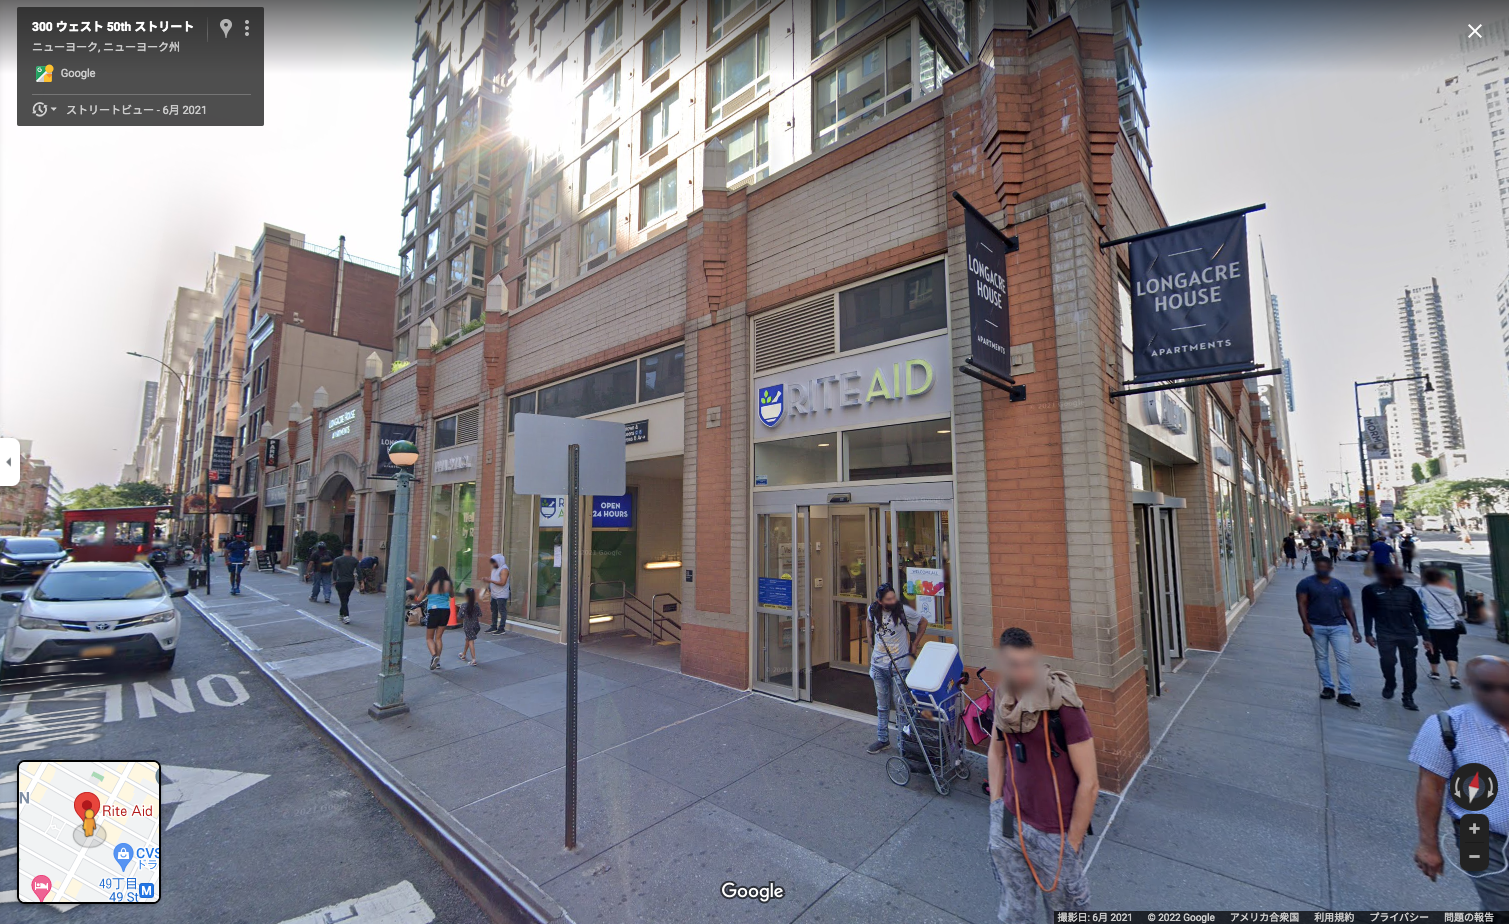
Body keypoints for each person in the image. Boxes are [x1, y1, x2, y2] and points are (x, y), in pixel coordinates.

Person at [987, 627, 1097, 921]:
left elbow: (1090, 782)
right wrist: (996, 806)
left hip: (1055, 832)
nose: (1023, 673)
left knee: (1066, 912)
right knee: (1014, 910)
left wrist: (1072, 844)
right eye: (1014, 665)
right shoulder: (1002, 697)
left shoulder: (1062, 704)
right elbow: (996, 752)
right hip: (1009, 822)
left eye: (1028, 664)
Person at [1409, 656, 1509, 910]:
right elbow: (1430, 788)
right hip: (1478, 834)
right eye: (1487, 687)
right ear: (1471, 684)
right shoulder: (1448, 725)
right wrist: (1428, 845)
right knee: (1501, 906)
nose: (1498, 695)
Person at [864, 583, 928, 755]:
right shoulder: (873, 610)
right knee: (882, 706)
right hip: (878, 665)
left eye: (894, 597)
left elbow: (923, 622)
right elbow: (868, 621)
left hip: (900, 666)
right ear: (880, 601)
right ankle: (883, 739)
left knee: (902, 707)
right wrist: (869, 637)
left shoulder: (903, 611)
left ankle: (903, 743)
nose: (893, 601)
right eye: (888, 599)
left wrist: (915, 644)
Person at [1362, 563, 1434, 711]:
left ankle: (1408, 696)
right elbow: (1367, 613)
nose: (1399, 576)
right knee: (1388, 662)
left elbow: (1419, 615)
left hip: (1407, 634)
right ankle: (1390, 682)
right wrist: (1368, 633)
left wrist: (1427, 638)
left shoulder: (1409, 592)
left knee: (1409, 666)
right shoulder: (1370, 590)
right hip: (1385, 633)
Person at [1296, 556, 1362, 708]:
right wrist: (1305, 623)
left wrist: (1355, 629)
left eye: (1325, 567)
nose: (1322, 570)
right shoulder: (1306, 584)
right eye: (1319, 567)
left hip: (1338, 626)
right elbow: (1302, 604)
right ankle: (1328, 687)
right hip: (1316, 626)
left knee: (1343, 659)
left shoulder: (1340, 585)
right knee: (1321, 657)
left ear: (1331, 569)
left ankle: (1345, 692)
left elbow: (1347, 607)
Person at [1419, 567, 1466, 689]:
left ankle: (1435, 672)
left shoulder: (1421, 591)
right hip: (1450, 626)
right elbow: (1459, 610)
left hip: (1431, 626)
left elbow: (1418, 608)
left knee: (1432, 649)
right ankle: (1453, 676)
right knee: (1451, 650)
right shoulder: (1450, 592)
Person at [423, 567, 454, 671]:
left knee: (429, 638)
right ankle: (438, 661)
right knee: (439, 638)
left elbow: (420, 597)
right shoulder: (449, 584)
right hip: (445, 611)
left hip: (433, 611)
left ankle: (434, 656)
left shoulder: (429, 584)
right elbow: (452, 595)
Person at [331, 544, 360, 624]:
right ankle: (341, 614)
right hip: (350, 582)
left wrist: (334, 579)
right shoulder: (354, 560)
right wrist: (361, 582)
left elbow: (334, 571)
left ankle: (346, 616)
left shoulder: (337, 560)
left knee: (343, 599)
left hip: (341, 581)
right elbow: (359, 571)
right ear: (351, 551)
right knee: (345, 598)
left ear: (344, 550)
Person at [485, 553, 511, 634]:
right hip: (494, 593)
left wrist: (490, 581)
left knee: (502, 611)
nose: (493, 564)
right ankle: (494, 626)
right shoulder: (495, 568)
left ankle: (501, 628)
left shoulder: (504, 569)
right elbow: (493, 578)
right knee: (494, 610)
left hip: (501, 594)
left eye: (494, 562)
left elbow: (502, 582)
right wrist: (489, 585)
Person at [458, 586, 483, 665]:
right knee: (468, 639)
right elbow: (480, 614)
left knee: (470, 641)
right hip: (476, 626)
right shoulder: (476, 604)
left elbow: (460, 616)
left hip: (468, 626)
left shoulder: (464, 605)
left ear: (466, 596)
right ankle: (464, 654)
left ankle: (473, 659)